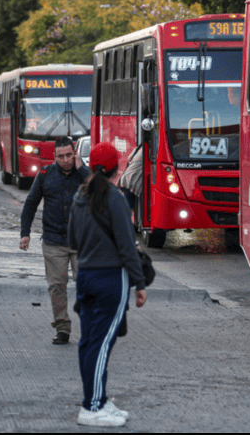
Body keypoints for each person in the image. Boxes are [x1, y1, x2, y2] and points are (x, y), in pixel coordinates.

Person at [67, 142, 147, 427]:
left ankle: (97, 400)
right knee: (101, 344)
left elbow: (72, 241)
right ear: (116, 168)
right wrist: (140, 283)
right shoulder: (115, 198)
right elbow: (127, 246)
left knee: (88, 342)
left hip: (85, 276)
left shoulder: (79, 196)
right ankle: (91, 407)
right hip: (111, 278)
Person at [20, 136, 91, 345]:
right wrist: (25, 232)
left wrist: (82, 168)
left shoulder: (86, 174)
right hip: (53, 241)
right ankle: (62, 329)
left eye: (69, 155)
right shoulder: (45, 174)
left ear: (75, 153)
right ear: (54, 157)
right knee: (57, 286)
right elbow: (31, 203)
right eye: (61, 156)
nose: (66, 160)